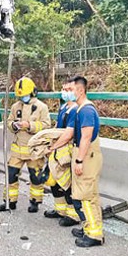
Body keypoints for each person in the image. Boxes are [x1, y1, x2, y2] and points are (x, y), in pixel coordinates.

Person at [48, 76, 104, 247]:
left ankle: (94, 234)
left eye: (70, 89)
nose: (67, 93)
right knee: (89, 195)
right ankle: (89, 227)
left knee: (85, 197)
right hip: (83, 154)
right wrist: (53, 147)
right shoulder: (80, 109)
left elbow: (86, 137)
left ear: (80, 90)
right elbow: (69, 133)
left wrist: (79, 160)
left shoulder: (86, 110)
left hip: (86, 156)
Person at [0, 77, 51, 213]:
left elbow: (46, 126)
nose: (23, 98)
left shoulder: (41, 107)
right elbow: (9, 122)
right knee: (11, 175)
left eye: (25, 95)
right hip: (17, 149)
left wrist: (29, 126)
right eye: (21, 96)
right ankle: (10, 201)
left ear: (33, 92)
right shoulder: (16, 107)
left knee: (35, 177)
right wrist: (14, 125)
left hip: (34, 150)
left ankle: (35, 202)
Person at [42, 78, 81, 227]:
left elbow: (68, 134)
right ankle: (60, 209)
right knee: (53, 179)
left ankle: (73, 215)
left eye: (69, 90)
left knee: (68, 182)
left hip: (68, 150)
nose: (65, 92)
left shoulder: (76, 109)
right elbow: (58, 127)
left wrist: (53, 147)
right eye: (64, 89)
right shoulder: (64, 107)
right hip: (58, 148)